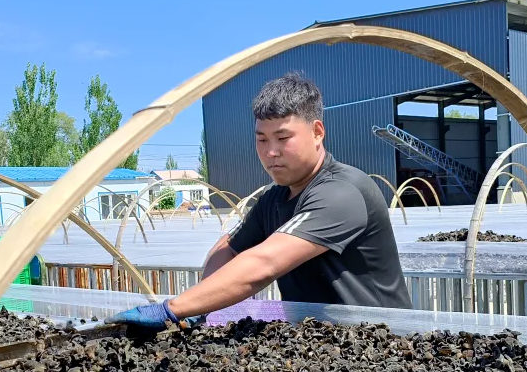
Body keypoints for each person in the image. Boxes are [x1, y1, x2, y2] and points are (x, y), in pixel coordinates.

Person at [108, 72, 411, 329]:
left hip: (382, 347)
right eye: (261, 139)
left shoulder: (341, 192)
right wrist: (199, 306)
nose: (270, 152)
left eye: (283, 138)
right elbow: (228, 248)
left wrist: (172, 309)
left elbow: (263, 263)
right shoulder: (274, 198)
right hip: (316, 342)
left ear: (317, 132)